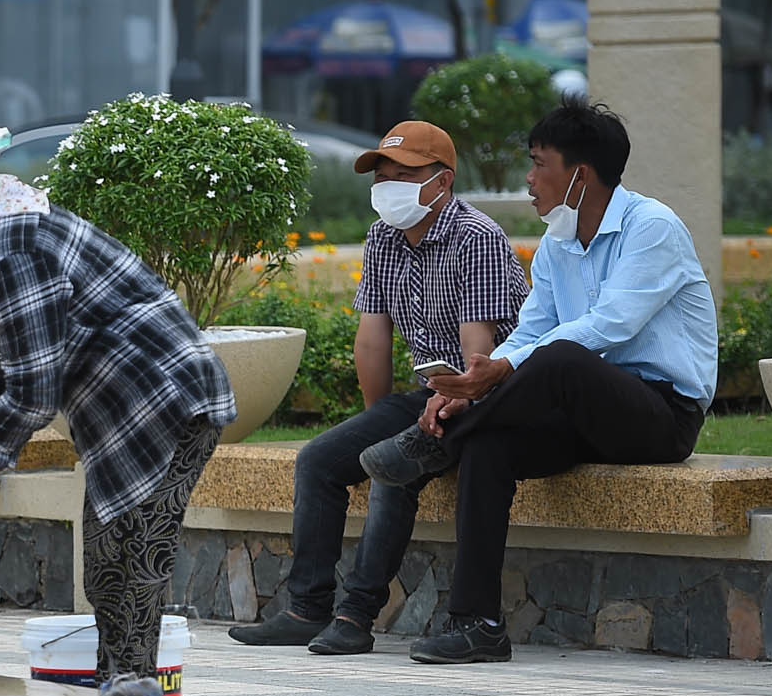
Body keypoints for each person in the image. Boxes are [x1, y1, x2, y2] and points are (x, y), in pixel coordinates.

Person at [0, 113, 236, 696]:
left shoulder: (15, 246)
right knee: (106, 557)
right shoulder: (2, 235)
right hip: (123, 410)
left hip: (168, 398)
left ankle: (133, 687)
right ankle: (120, 684)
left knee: (137, 547)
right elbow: (7, 356)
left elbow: (33, 391)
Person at [359, 100, 716, 664]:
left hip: (659, 415)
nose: (528, 177)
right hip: (581, 409)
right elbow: (529, 331)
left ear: (579, 174)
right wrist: (466, 387)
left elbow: (609, 325)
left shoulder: (653, 228)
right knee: (488, 445)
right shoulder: (557, 243)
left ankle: (433, 444)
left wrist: (498, 374)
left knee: (564, 357)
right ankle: (477, 624)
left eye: (537, 162)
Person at [229, 120, 526, 655]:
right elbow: (372, 338)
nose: (389, 184)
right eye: (383, 174)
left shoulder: (476, 238)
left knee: (392, 463)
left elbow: (476, 360)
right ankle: (306, 608)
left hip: (484, 399)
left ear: (443, 180)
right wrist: (374, 422)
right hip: (427, 394)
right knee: (319, 460)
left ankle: (355, 616)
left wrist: (403, 433)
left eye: (406, 173)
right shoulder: (384, 236)